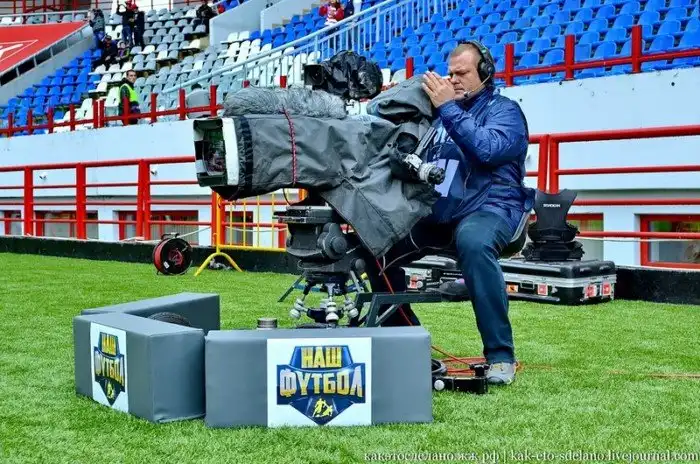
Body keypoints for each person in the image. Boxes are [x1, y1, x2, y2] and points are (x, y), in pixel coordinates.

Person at [363, 41, 535, 386]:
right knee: (376, 242)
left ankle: (500, 355)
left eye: (463, 73)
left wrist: (447, 108)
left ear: (484, 73)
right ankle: (405, 336)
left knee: (473, 241)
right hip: (443, 211)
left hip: (494, 207)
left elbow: (487, 149)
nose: (454, 79)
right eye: (451, 73)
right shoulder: (439, 115)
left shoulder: (505, 111)